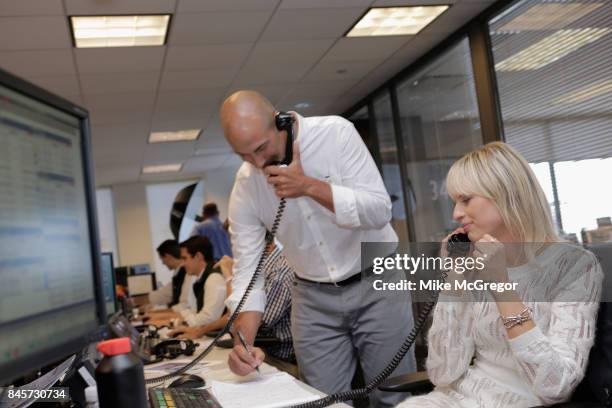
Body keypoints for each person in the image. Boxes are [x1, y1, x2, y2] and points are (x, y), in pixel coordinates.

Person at [220, 90, 415, 407]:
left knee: (393, 396)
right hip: (312, 295)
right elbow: (247, 271)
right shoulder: (246, 185)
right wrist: (243, 341)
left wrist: (309, 186)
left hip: (376, 273)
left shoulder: (335, 134)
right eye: (244, 156)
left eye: (260, 148)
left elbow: (379, 210)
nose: (257, 163)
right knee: (322, 402)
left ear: (280, 122)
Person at [398, 142, 603, 407]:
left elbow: (554, 386)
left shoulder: (575, 266)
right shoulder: (473, 261)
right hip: (458, 397)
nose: (456, 214)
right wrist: (454, 281)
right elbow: (442, 373)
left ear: (506, 195)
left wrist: (501, 285)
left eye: (465, 199)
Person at [170, 232, 296, 364]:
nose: (235, 251)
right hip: (260, 349)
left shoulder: (278, 274)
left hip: (277, 358)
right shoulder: (262, 268)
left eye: (238, 244)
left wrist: (230, 277)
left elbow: (240, 323)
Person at [149, 236, 227, 328]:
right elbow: (194, 311)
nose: (183, 263)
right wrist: (173, 322)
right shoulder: (202, 278)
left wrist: (173, 323)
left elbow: (208, 318)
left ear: (198, 256)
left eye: (185, 258)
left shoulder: (214, 278)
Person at [148, 239, 191, 308]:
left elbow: (166, 295)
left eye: (162, 259)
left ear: (168, 256)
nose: (163, 263)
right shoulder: (179, 273)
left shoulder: (184, 272)